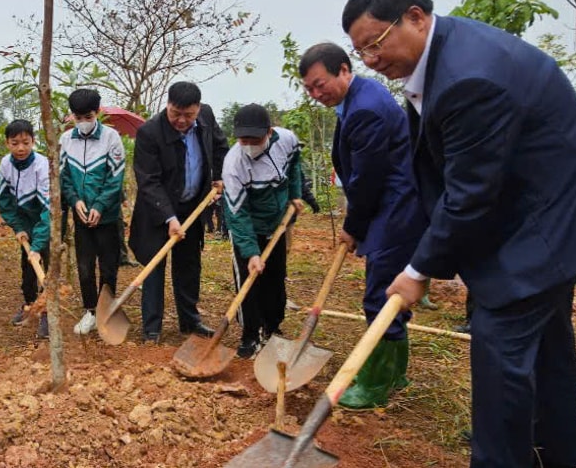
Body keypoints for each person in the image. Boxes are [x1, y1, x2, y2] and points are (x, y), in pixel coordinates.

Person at [344, 0, 576, 467]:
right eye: (361, 52)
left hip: (546, 224)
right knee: (545, 350)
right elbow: (441, 178)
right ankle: (556, 455)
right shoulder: (442, 61)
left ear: (415, 17)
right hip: (535, 214)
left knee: (499, 352)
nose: (371, 60)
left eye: (376, 44)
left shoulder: (468, 77)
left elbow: (469, 194)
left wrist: (417, 272)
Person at [299, 42, 428, 407]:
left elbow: (367, 180)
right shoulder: (359, 98)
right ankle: (394, 373)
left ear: (343, 69)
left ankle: (373, 385)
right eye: (308, 88)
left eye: (319, 83)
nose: (315, 93)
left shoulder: (366, 109)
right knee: (389, 293)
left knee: (380, 297)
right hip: (394, 208)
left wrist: (353, 227)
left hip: (396, 211)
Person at [129, 82, 230, 343]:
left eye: (189, 115)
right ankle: (152, 328)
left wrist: (219, 176)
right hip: (157, 210)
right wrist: (170, 218)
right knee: (153, 266)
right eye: (176, 114)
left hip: (192, 207)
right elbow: (148, 181)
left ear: (198, 109)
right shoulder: (149, 132)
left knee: (189, 267)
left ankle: (190, 321)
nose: (182, 120)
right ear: (168, 105)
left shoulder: (206, 117)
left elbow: (221, 147)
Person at [220, 104, 305, 358]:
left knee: (275, 278)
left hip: (277, 224)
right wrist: (251, 251)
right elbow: (238, 214)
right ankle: (250, 335)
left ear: (269, 132)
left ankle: (272, 328)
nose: (248, 145)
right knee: (249, 282)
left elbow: (294, 167)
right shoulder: (233, 164)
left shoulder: (287, 140)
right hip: (248, 226)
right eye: (242, 139)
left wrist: (295, 195)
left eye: (253, 139)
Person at [60, 89, 126, 335]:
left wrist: (99, 206)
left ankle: (105, 311)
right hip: (81, 217)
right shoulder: (66, 140)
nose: (83, 122)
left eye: (87, 116)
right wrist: (75, 200)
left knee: (109, 267)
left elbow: (115, 178)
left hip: (107, 218)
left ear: (97, 113)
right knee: (85, 267)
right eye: (78, 118)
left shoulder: (111, 138)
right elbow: (64, 177)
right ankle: (89, 311)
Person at [0, 119, 52, 339]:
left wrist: (38, 245)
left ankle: (48, 312)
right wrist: (18, 228)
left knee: (47, 268)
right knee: (27, 267)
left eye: (26, 142)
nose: (21, 148)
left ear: (33, 141)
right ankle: (29, 304)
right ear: (7, 143)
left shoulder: (42, 164)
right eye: (15, 143)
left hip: (46, 221)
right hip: (25, 223)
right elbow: (5, 201)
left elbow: (48, 209)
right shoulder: (5, 165)